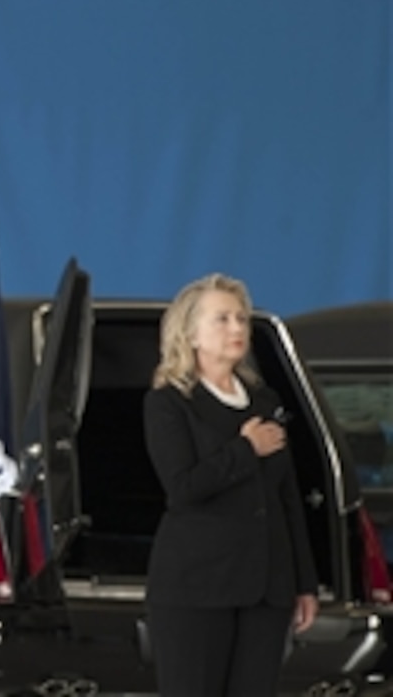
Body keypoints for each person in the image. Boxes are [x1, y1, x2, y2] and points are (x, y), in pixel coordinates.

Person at [143, 273, 319, 696]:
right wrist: (244, 450)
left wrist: (304, 583)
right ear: (190, 333)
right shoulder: (168, 402)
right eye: (221, 319)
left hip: (266, 590)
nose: (237, 328)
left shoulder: (266, 402)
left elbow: (286, 498)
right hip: (197, 588)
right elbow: (183, 488)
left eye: (241, 318)